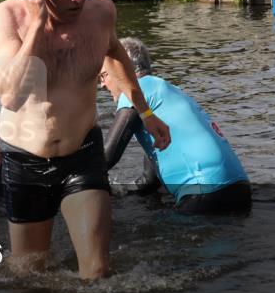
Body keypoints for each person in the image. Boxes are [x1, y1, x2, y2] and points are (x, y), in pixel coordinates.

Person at [0, 0, 171, 280]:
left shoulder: (100, 10)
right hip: (25, 159)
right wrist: (38, 23)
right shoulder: (7, 17)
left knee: (98, 273)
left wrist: (146, 113)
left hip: (81, 154)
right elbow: (11, 95)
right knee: (29, 275)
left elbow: (115, 55)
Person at [100, 38, 251, 215]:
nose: (102, 85)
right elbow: (149, 181)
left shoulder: (136, 92)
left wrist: (67, 181)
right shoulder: (166, 92)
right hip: (240, 190)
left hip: (205, 192)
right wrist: (117, 192)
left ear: (123, 69)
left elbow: (107, 157)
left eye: (104, 75)